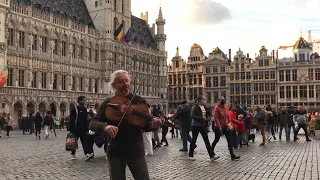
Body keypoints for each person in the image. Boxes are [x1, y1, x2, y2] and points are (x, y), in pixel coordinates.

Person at [89, 70, 162, 180]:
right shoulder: (109, 102)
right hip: (115, 151)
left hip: (136, 151)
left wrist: (154, 125)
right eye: (121, 82)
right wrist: (105, 127)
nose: (125, 84)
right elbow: (93, 123)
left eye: (126, 81)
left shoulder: (139, 101)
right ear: (114, 85)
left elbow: (146, 126)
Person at [189, 96, 216, 161]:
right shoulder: (195, 107)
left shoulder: (204, 106)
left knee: (206, 140)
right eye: (202, 99)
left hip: (202, 125)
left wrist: (207, 118)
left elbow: (205, 114)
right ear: (199, 100)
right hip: (196, 125)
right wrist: (202, 119)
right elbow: (193, 116)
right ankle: (190, 154)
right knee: (193, 140)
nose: (204, 101)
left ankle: (211, 156)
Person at [69, 96, 94, 161]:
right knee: (74, 142)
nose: (84, 102)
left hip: (83, 129)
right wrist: (71, 130)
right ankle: (73, 154)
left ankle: (87, 154)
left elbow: (86, 119)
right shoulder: (74, 109)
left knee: (85, 142)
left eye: (85, 100)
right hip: (76, 129)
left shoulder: (85, 109)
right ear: (79, 101)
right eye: (83, 100)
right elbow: (71, 120)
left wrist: (87, 128)